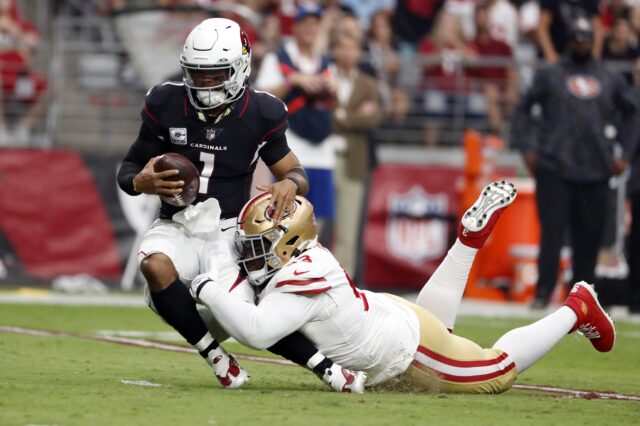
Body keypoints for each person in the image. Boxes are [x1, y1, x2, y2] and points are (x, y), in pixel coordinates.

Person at [116, 17, 364, 392]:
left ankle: (327, 368)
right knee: (154, 265)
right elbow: (129, 169)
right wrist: (140, 182)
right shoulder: (165, 101)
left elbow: (296, 171)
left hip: (228, 231)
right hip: (175, 224)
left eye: (213, 74)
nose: (203, 83)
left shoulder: (262, 111)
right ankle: (217, 358)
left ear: (238, 69)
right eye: (196, 74)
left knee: (248, 320)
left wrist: (289, 185)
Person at [189, 180, 615, 393]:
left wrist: (205, 285)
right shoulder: (302, 260)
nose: (249, 255)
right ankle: (466, 242)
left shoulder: (302, 273)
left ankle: (577, 307)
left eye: (258, 245)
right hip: (391, 319)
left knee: (497, 371)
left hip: (404, 350)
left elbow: (258, 331)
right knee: (442, 333)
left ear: (289, 239)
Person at [511, 18, 637, 308]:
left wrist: (625, 154)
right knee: (552, 233)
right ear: (568, 40)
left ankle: (582, 298)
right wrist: (527, 148)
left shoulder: (609, 77)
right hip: (553, 166)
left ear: (593, 40)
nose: (581, 43)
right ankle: (543, 292)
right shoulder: (551, 74)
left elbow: (632, 114)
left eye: (585, 38)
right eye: (576, 38)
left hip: (595, 169)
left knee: (588, 240)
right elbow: (522, 109)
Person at [254, 4, 337, 246]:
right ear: (296, 27)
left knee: (318, 217)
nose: (311, 29)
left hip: (322, 148)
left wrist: (331, 89)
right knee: (284, 212)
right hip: (290, 147)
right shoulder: (279, 57)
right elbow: (263, 96)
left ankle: (312, 264)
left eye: (315, 24)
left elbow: (335, 99)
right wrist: (294, 80)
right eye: (306, 24)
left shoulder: (324, 61)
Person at [330, 30, 382, 279]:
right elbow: (321, 117)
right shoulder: (325, 75)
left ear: (360, 53)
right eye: (344, 47)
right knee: (316, 221)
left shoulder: (368, 84)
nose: (348, 53)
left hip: (354, 161)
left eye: (353, 48)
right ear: (335, 51)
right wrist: (353, 117)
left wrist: (340, 116)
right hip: (324, 157)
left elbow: (373, 119)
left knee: (349, 228)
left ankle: (343, 280)